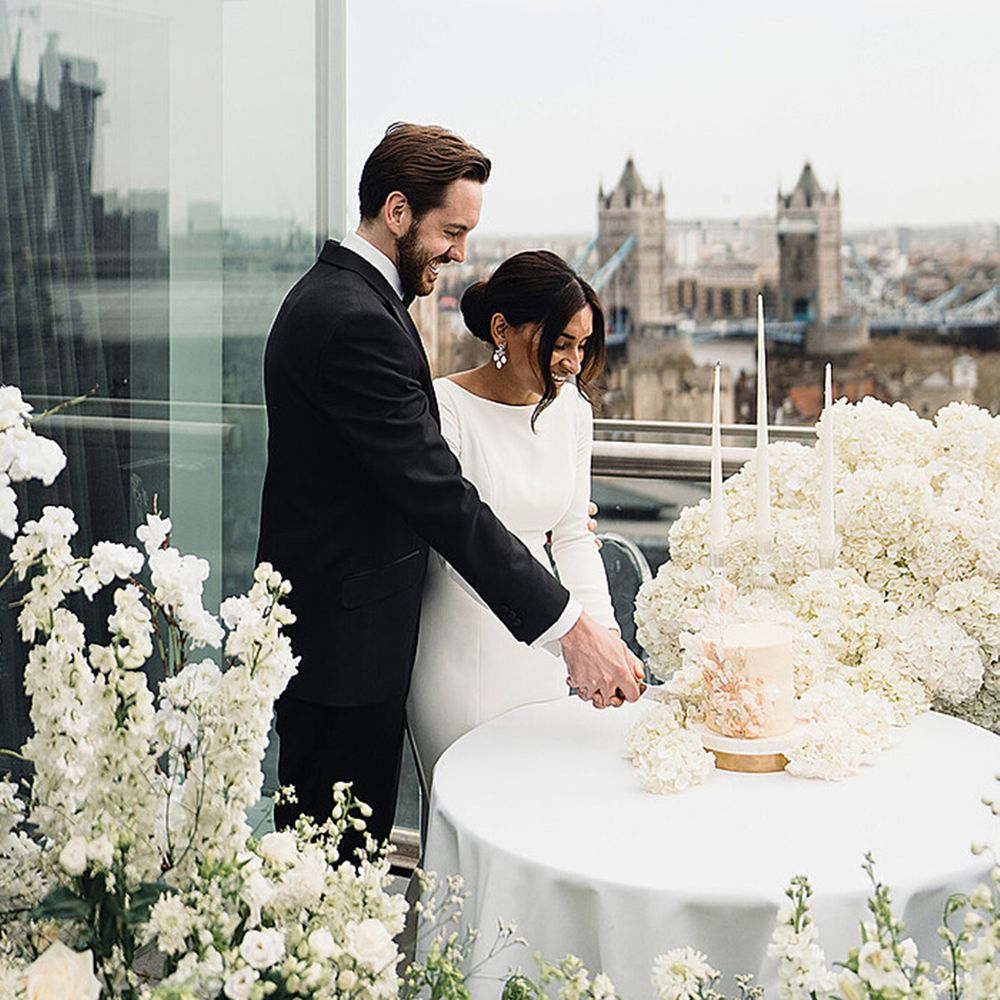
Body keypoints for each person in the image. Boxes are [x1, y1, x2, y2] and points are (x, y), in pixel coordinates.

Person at [256, 123, 644, 853]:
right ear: (397, 212)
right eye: (452, 230)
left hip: (353, 638)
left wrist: (549, 511)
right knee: (330, 878)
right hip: (349, 651)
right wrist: (570, 628)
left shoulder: (345, 300)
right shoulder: (353, 321)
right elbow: (440, 496)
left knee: (339, 877)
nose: (462, 253)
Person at [407, 250, 622, 786]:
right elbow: (459, 550)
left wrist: (603, 637)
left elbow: (573, 536)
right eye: (561, 342)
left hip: (550, 648)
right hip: (462, 654)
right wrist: (571, 639)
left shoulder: (572, 409)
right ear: (503, 329)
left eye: (582, 345)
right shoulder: (444, 407)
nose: (573, 362)